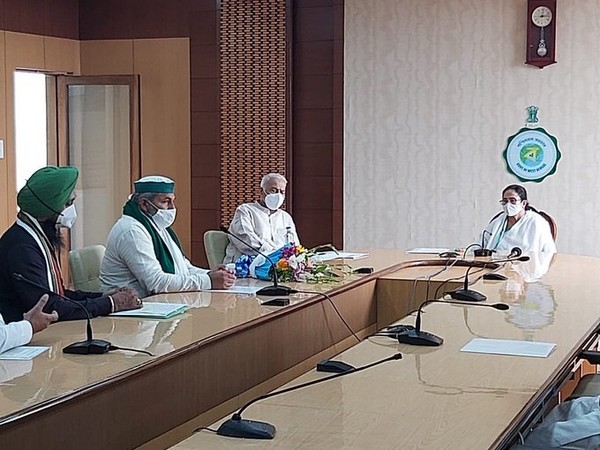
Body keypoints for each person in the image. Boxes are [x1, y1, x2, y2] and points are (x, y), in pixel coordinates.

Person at [0, 166, 141, 324]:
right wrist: (111, 303)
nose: (72, 210)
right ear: (48, 207)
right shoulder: (22, 248)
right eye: (68, 203)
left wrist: (104, 296)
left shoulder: (32, 235)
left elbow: (58, 296)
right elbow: (49, 308)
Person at [100, 175, 236, 297]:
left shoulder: (158, 226)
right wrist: (209, 281)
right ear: (144, 204)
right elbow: (156, 282)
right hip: (130, 309)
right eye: (165, 201)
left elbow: (184, 268)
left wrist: (211, 274)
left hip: (156, 303)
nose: (172, 207)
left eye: (172, 200)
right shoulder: (132, 231)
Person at [224, 173, 300, 263]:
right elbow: (246, 240)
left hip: (280, 266)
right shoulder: (245, 211)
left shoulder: (286, 217)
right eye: (273, 190)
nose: (278, 195)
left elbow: (295, 247)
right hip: (246, 265)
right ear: (261, 191)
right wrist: (275, 255)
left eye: (282, 192)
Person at [480, 184, 557, 254]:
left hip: (525, 263)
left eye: (512, 200)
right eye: (505, 201)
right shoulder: (499, 220)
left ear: (523, 203)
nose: (508, 205)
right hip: (494, 262)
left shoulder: (537, 222)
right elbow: (481, 243)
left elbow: (550, 252)